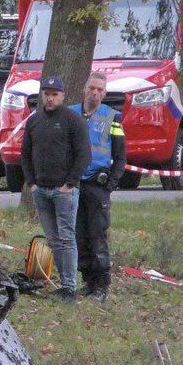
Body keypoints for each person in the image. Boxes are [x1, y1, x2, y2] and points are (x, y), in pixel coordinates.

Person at [20, 75, 92, 302]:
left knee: (66, 238)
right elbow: (25, 154)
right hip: (41, 190)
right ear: (42, 95)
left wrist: (69, 184)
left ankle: (70, 286)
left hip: (65, 192)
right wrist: (31, 182)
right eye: (46, 94)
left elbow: (84, 155)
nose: (50, 99)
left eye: (54, 95)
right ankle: (62, 282)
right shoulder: (34, 121)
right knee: (52, 239)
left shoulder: (73, 120)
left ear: (63, 95)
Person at [69, 72, 126, 303]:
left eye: (100, 90)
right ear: (84, 89)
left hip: (98, 185)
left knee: (97, 235)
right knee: (78, 235)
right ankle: (88, 281)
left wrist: (111, 184)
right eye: (92, 88)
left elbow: (120, 156)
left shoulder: (112, 117)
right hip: (74, 184)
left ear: (105, 92)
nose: (95, 93)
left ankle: (101, 286)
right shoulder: (70, 114)